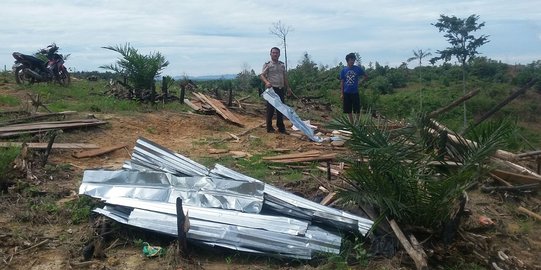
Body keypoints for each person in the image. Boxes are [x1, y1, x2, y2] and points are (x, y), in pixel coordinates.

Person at [260, 47, 292, 134]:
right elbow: (262, 75)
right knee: (270, 109)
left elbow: (284, 77)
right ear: (270, 54)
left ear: (279, 54)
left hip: (281, 89)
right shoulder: (268, 65)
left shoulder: (282, 65)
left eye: (277, 53)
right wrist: (266, 82)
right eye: (273, 53)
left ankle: (281, 128)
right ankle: (269, 128)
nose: (275, 54)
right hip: (272, 90)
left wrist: (288, 88)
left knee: (281, 109)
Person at [340, 52, 368, 124]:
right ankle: (351, 124)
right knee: (348, 109)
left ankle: (357, 123)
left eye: (353, 60)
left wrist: (360, 82)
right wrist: (342, 93)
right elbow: (342, 82)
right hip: (346, 92)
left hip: (355, 92)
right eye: (350, 60)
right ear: (347, 61)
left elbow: (366, 76)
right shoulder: (343, 70)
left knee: (357, 109)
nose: (352, 61)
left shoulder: (357, 69)